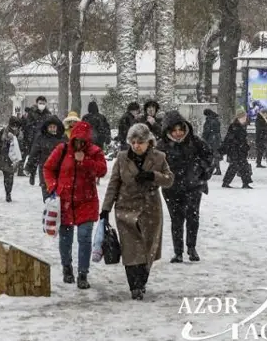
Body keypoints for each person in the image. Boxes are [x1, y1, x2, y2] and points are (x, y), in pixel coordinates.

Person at [101, 123, 174, 300]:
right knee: (130, 249)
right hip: (125, 208)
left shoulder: (159, 157)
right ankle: (134, 285)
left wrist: (153, 176)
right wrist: (105, 208)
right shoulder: (122, 158)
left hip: (150, 209)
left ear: (149, 142)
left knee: (148, 248)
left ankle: (142, 281)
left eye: (140, 142)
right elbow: (113, 184)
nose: (136, 146)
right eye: (133, 142)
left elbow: (169, 180)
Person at [43, 121, 107, 289]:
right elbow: (48, 168)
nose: (79, 144)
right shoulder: (62, 150)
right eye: (76, 140)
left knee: (84, 238)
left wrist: (85, 161)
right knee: (65, 239)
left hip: (87, 201)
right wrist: (54, 187)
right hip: (65, 202)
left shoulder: (95, 152)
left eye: (82, 141)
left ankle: (83, 273)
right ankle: (67, 267)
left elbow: (102, 170)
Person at [157, 111, 214, 263]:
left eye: (180, 129)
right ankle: (178, 251)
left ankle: (191, 247)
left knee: (193, 217)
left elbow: (209, 156)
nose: (178, 133)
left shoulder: (195, 141)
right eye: (174, 130)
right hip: (171, 188)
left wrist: (201, 170)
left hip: (193, 185)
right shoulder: (161, 146)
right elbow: (154, 165)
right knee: (176, 219)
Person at [27, 116, 67, 198]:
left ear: (57, 127)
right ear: (47, 128)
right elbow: (34, 153)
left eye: (54, 127)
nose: (52, 129)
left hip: (60, 170)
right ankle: (48, 204)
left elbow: (69, 153)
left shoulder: (63, 138)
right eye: (50, 127)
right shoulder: (41, 138)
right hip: (45, 169)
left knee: (60, 194)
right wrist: (29, 166)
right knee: (47, 193)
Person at [0, 117, 24, 202]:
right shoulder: (3, 132)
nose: (15, 127)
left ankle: (8, 192)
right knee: (7, 175)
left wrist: (21, 151)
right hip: (4, 156)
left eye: (16, 125)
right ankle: (8, 193)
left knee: (10, 176)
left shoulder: (19, 134)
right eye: (13, 125)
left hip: (13, 158)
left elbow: (22, 145)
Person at [220, 107, 253, 188]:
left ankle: (244, 183)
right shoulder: (234, 126)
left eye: (245, 116)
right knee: (237, 166)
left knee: (240, 166)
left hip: (240, 150)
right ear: (239, 117)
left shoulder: (242, 125)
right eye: (243, 117)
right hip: (235, 150)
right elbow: (230, 139)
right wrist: (237, 145)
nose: (245, 118)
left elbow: (242, 139)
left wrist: (245, 145)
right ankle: (229, 183)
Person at [202, 108, 223, 175]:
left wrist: (203, 138)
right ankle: (217, 169)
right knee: (215, 154)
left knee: (211, 155)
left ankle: (214, 169)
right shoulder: (216, 119)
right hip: (217, 139)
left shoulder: (209, 120)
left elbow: (207, 131)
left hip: (211, 139)